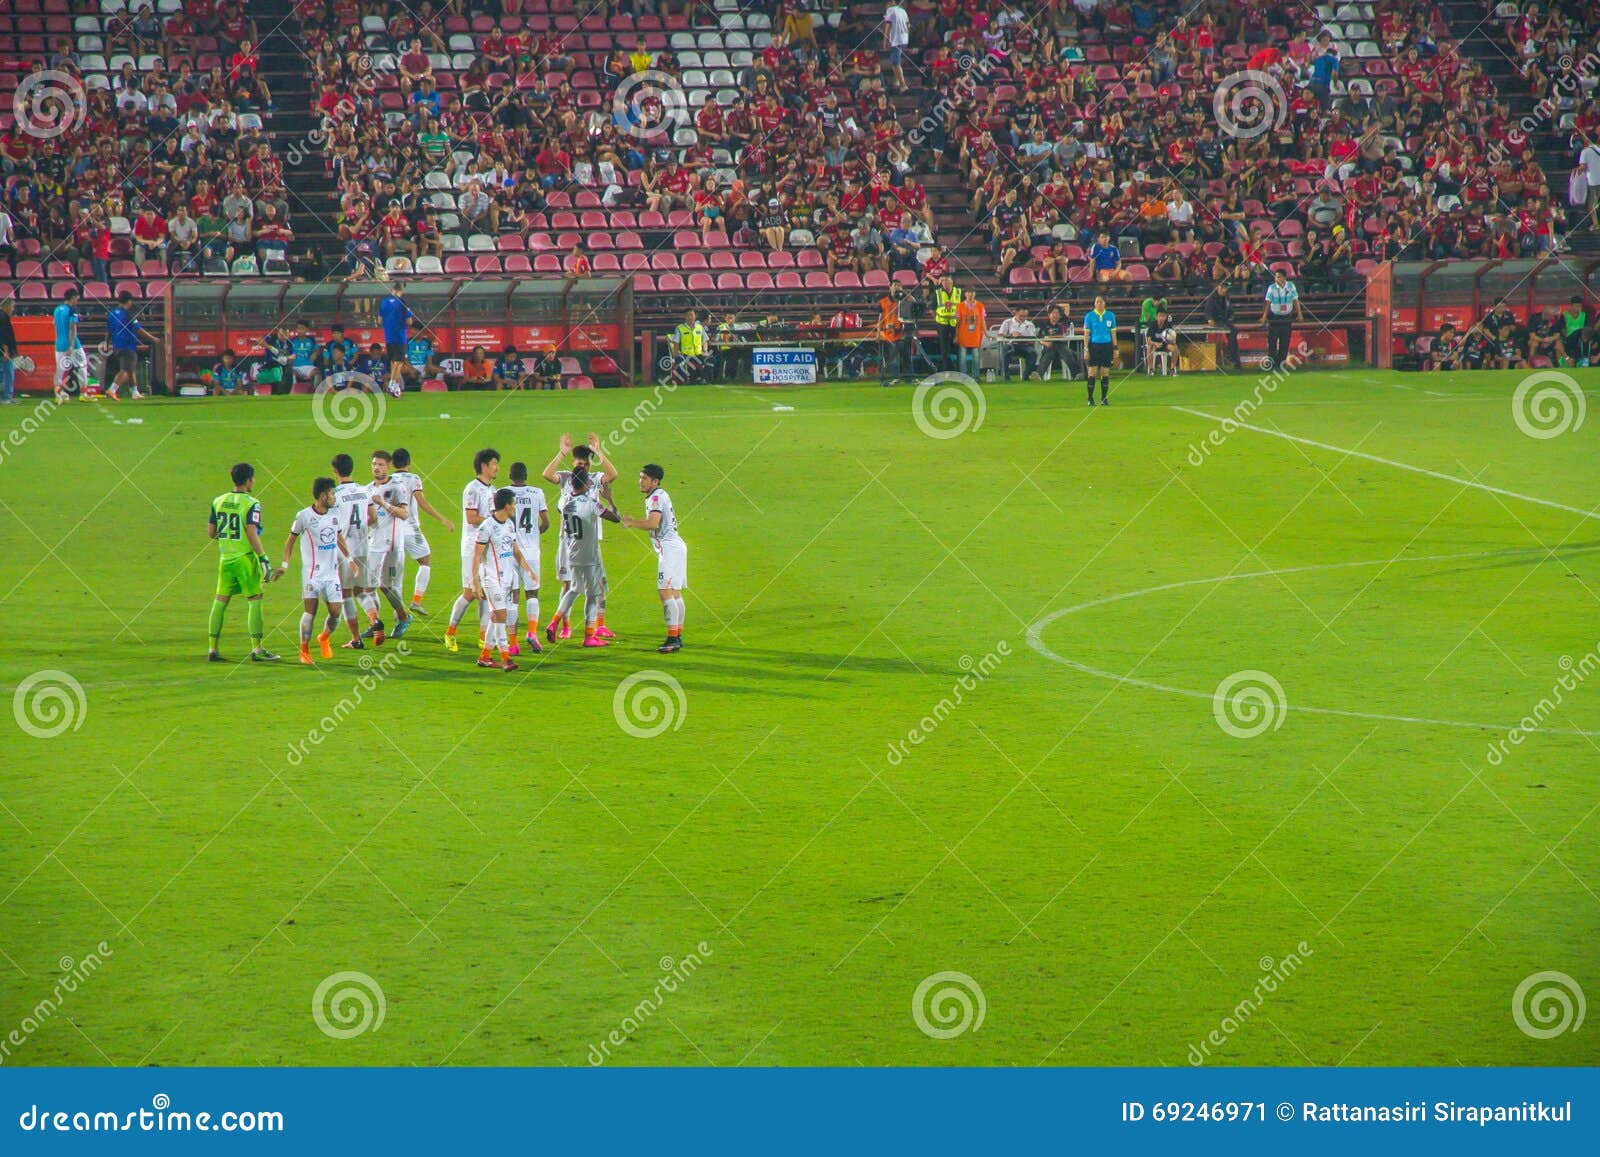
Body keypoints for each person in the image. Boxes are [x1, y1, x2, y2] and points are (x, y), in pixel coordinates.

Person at [543, 434, 619, 640]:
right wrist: (562, 453)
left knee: (598, 584)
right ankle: (567, 626)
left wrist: (599, 452)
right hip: (568, 542)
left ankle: (599, 625)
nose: (583, 467)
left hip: (590, 541)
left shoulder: (592, 479)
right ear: (573, 463)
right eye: (580, 463)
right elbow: (547, 475)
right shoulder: (567, 477)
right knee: (569, 585)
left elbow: (613, 474)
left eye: (587, 464)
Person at [284, 477, 362, 665]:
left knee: (336, 612)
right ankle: (304, 650)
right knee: (310, 611)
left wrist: (350, 560)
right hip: (312, 575)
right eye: (331, 493)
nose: (334, 496)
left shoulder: (335, 515)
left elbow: (338, 537)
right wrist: (285, 564)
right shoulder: (304, 516)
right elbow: (290, 540)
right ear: (322, 495)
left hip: (331, 574)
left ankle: (324, 637)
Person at [207, 462, 280, 663]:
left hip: (225, 559)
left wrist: (229, 539)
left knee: (220, 600)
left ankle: (212, 649)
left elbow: (211, 533)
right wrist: (263, 557)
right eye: (253, 479)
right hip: (245, 560)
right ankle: (257, 649)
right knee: (255, 600)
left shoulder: (218, 501)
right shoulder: (251, 503)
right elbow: (251, 531)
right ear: (248, 480)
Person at [620, 463, 688, 654]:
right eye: (640, 477)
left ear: (655, 481)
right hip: (676, 545)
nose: (640, 481)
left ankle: (673, 638)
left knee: (664, 591)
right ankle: (677, 635)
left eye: (644, 478)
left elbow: (653, 523)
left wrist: (632, 522)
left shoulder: (656, 497)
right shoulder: (659, 495)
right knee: (674, 592)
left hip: (669, 548)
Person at [471, 487, 539, 671]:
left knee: (497, 617)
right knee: (502, 615)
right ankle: (505, 657)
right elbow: (477, 555)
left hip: (507, 577)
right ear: (507, 505)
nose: (515, 508)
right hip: (491, 578)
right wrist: (475, 582)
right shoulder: (487, 527)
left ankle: (485, 656)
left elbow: (515, 551)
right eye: (514, 504)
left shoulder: (509, 524)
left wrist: (529, 570)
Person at [445, 447, 500, 653]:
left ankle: (483, 635)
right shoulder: (472, 489)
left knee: (485, 592)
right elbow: (471, 518)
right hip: (471, 547)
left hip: (487, 547)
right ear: (484, 466)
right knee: (469, 592)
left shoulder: (493, 491)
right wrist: (494, 520)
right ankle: (450, 632)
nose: (496, 468)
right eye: (494, 464)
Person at [391, 447, 453, 617]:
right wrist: (442, 519)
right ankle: (416, 601)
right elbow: (422, 502)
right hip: (411, 529)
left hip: (392, 531)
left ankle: (397, 614)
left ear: (392, 464)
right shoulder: (414, 478)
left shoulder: (388, 480)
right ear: (409, 463)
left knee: (395, 572)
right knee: (425, 561)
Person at [362, 449, 414, 644]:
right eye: (374, 464)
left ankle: (403, 616)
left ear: (389, 466)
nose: (377, 468)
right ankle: (375, 624)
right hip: (373, 544)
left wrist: (383, 503)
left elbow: (404, 514)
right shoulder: (367, 489)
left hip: (392, 545)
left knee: (386, 586)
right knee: (367, 588)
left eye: (381, 464)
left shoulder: (397, 487)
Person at [327, 453, 372, 653]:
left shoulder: (334, 495)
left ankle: (355, 638)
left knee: (346, 595)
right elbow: (371, 516)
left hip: (346, 551)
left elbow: (330, 524)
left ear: (335, 471)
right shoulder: (364, 491)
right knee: (360, 591)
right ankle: (375, 619)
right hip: (364, 546)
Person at [505, 461, 550, 653]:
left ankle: (513, 644)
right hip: (531, 552)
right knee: (532, 594)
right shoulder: (537, 492)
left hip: (510, 552)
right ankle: (532, 633)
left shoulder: (503, 493)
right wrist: (534, 536)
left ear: (510, 476)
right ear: (526, 476)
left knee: (513, 597)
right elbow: (546, 523)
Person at [105, 291, 153, 399]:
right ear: (129, 301)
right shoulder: (128, 313)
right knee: (126, 370)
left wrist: (107, 343)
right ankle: (112, 389)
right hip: (127, 345)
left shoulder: (111, 313)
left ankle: (134, 392)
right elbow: (138, 329)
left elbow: (108, 330)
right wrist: (152, 338)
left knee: (130, 369)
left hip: (117, 346)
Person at [1261, 268, 1302, 369]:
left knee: (1285, 342)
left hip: (1287, 317)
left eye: (1278, 277)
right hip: (1274, 317)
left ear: (1284, 278)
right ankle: (1271, 364)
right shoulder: (1272, 287)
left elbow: (1295, 300)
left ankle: (1281, 364)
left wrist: (1299, 313)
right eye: (1275, 277)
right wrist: (1264, 316)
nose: (1276, 279)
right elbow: (1267, 302)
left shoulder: (1291, 286)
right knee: (1272, 342)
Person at [378, 280, 413, 398]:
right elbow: (409, 321)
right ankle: (392, 384)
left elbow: (379, 321)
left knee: (393, 361)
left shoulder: (383, 302)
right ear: (401, 290)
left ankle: (396, 388)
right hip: (399, 336)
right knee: (399, 362)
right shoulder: (402, 303)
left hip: (388, 336)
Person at [53, 287, 86, 402]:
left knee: (60, 370)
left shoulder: (57, 309)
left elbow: (56, 326)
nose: (77, 300)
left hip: (59, 344)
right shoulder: (72, 310)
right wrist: (71, 346)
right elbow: (72, 329)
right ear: (72, 298)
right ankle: (84, 394)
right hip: (73, 344)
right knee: (82, 366)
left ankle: (58, 394)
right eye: (77, 298)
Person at [1084, 295, 1117, 405]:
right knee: (1092, 372)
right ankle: (1090, 398)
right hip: (1094, 346)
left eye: (1100, 302)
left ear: (1104, 303)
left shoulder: (1110, 315)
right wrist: (1086, 349)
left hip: (1106, 346)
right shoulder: (1089, 316)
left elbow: (1113, 333)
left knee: (1105, 372)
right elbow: (1086, 334)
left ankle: (1104, 398)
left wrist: (1115, 348)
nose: (1098, 304)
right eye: (1096, 302)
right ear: (1094, 303)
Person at [1037, 305, 1080, 381]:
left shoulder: (1063, 325)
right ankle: (1038, 376)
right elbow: (1039, 338)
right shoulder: (1044, 325)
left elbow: (1064, 336)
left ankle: (1076, 375)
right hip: (1049, 347)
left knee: (1068, 354)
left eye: (1057, 313)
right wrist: (1045, 343)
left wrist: (1053, 338)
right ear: (1049, 314)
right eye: (1053, 313)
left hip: (1061, 347)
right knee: (1047, 355)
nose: (1055, 315)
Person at [995, 306, 1039, 379]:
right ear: (1015, 313)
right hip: (1011, 345)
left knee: (1033, 353)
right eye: (1021, 316)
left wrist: (1024, 337)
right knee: (1007, 351)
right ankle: (1006, 376)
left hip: (1025, 346)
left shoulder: (1030, 324)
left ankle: (1026, 375)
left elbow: (1033, 340)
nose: (1023, 318)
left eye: (1025, 316)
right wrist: (1011, 335)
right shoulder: (1007, 322)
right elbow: (1000, 335)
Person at [1204, 281, 1239, 368]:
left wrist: (1230, 318)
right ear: (1218, 288)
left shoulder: (1226, 298)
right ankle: (1230, 359)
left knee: (1233, 333)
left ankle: (1234, 360)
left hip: (1225, 322)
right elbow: (1208, 312)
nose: (1224, 290)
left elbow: (1231, 311)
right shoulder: (1211, 298)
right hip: (1216, 322)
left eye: (1225, 288)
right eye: (1222, 288)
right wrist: (1210, 319)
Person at [877, 282, 907, 383]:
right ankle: (896, 377)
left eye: (899, 286)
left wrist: (905, 293)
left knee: (906, 356)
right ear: (890, 288)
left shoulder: (904, 300)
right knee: (894, 356)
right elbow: (880, 318)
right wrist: (878, 332)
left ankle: (909, 377)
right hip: (889, 333)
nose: (896, 288)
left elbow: (914, 302)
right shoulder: (883, 301)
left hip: (903, 332)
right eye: (895, 286)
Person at [933, 275, 962, 371]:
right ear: (941, 283)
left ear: (952, 282)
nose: (946, 283)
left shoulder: (959, 292)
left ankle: (960, 369)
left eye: (947, 281)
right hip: (942, 323)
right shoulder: (937, 293)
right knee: (944, 349)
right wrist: (937, 319)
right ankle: (946, 369)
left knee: (958, 347)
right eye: (944, 281)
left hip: (956, 324)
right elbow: (932, 308)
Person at [670, 309, 707, 382]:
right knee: (691, 373)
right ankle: (692, 379)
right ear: (685, 317)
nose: (690, 317)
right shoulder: (680, 328)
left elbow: (705, 340)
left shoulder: (700, 327)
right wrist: (676, 355)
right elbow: (676, 343)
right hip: (686, 355)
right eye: (688, 315)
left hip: (699, 354)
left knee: (710, 360)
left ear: (695, 316)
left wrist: (705, 350)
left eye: (692, 315)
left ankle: (705, 379)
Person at [954, 292, 986, 378]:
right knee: (962, 357)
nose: (970, 294)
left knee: (976, 357)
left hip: (976, 335)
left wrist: (986, 332)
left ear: (975, 294)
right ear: (965, 294)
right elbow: (957, 322)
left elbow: (983, 320)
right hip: (963, 334)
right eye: (968, 292)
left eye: (972, 292)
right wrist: (956, 335)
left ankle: (976, 377)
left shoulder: (980, 305)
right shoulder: (960, 306)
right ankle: (964, 377)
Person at [882, 1, 909, 91]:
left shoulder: (890, 10)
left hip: (896, 40)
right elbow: (908, 25)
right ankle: (896, 80)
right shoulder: (903, 10)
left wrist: (885, 39)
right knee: (897, 60)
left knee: (895, 63)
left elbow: (888, 25)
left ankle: (903, 85)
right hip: (904, 39)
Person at [1146, 305, 1179, 374]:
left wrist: (1172, 340)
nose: (1161, 318)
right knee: (1149, 347)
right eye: (1160, 316)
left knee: (1175, 348)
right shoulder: (1153, 325)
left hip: (1165, 345)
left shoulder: (1168, 325)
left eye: (1163, 316)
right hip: (1155, 345)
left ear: (1166, 317)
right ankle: (1151, 369)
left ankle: (1172, 369)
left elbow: (1172, 337)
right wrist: (1156, 344)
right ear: (1156, 317)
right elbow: (1149, 340)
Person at [0, 298, 17, 404]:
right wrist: (6, 351)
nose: (13, 309)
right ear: (7, 306)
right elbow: (4, 335)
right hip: (4, 351)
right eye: (12, 307)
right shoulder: (3, 317)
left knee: (4, 373)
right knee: (8, 373)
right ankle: (7, 397)